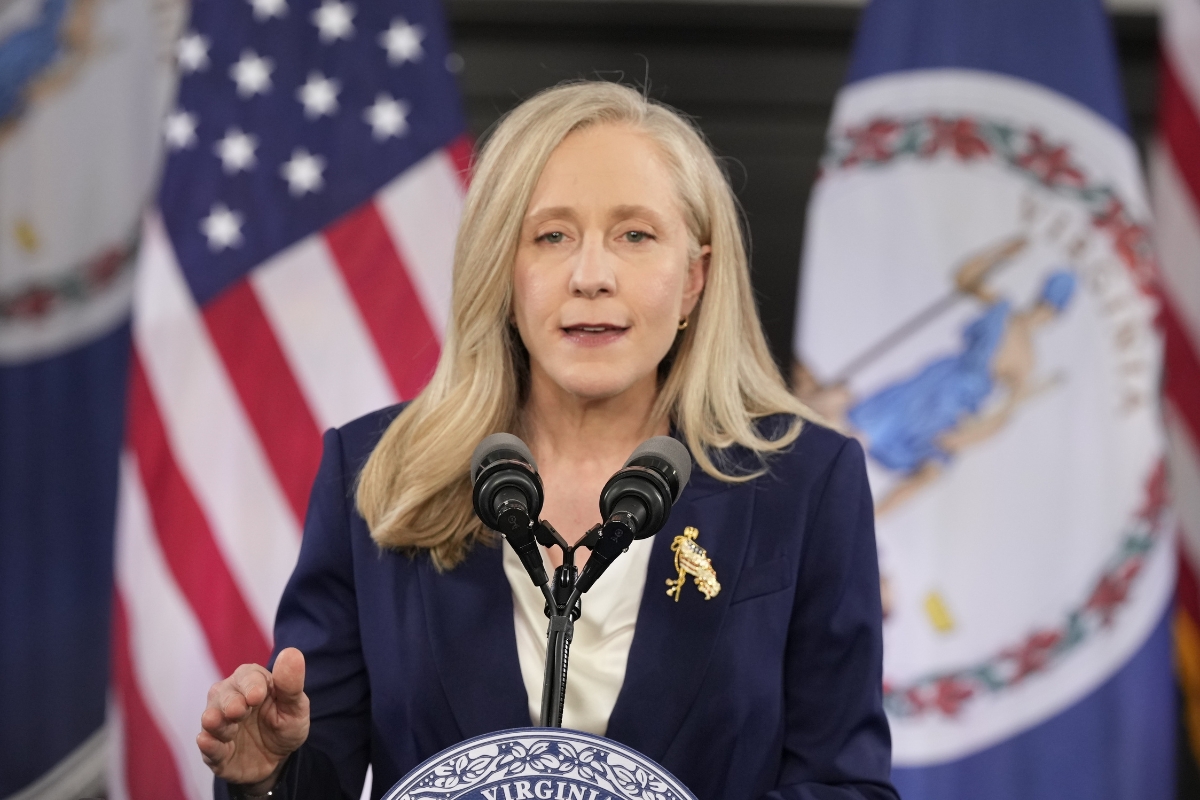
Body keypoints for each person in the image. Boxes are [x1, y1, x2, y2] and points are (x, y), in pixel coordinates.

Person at [197, 81, 897, 800]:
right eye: (552, 235)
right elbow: (320, 780)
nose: (591, 276)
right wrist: (265, 779)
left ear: (694, 280)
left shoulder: (804, 484)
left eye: (635, 235)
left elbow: (844, 785)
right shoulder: (380, 472)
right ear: (503, 271)